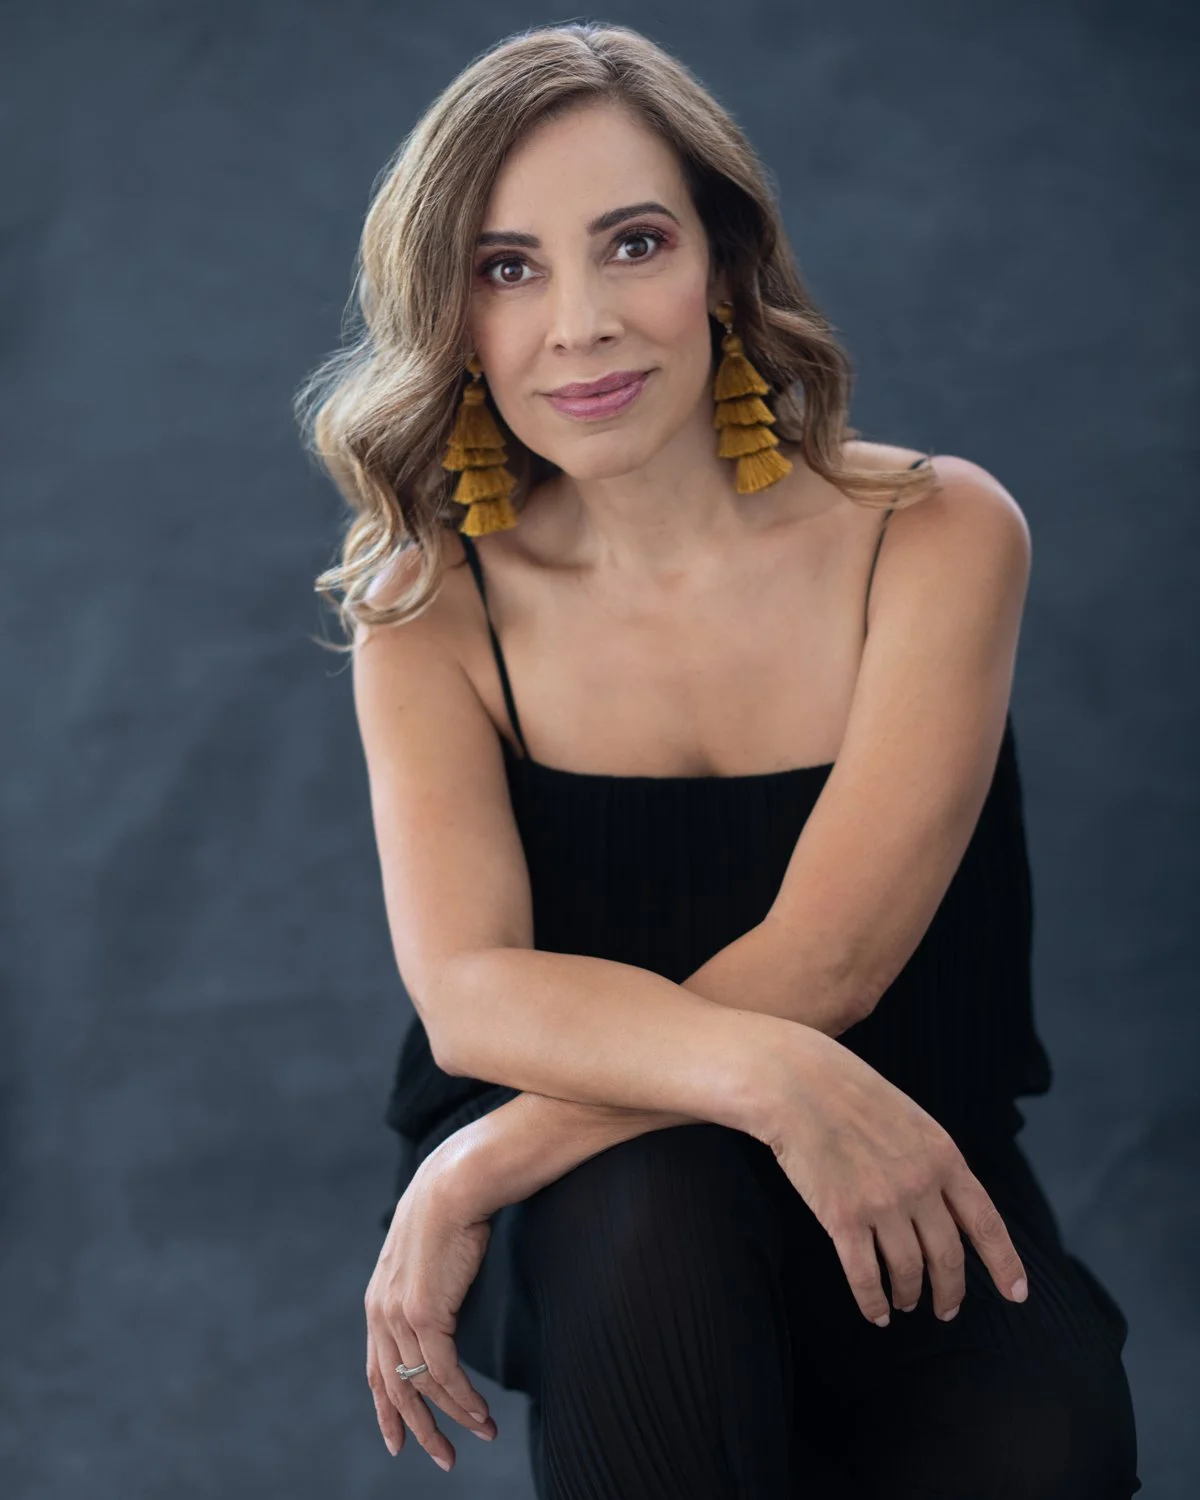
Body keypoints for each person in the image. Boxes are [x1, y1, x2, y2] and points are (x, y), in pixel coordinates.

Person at [293, 22, 1141, 1497]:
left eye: (633, 243)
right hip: (595, 1195)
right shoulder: (433, 603)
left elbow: (831, 967)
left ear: (725, 263)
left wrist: (475, 1166)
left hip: (896, 1136)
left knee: (1041, 1442)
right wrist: (569, 1140)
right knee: (658, 1209)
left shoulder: (936, 535)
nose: (581, 324)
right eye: (509, 269)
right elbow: (474, 996)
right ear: (455, 314)